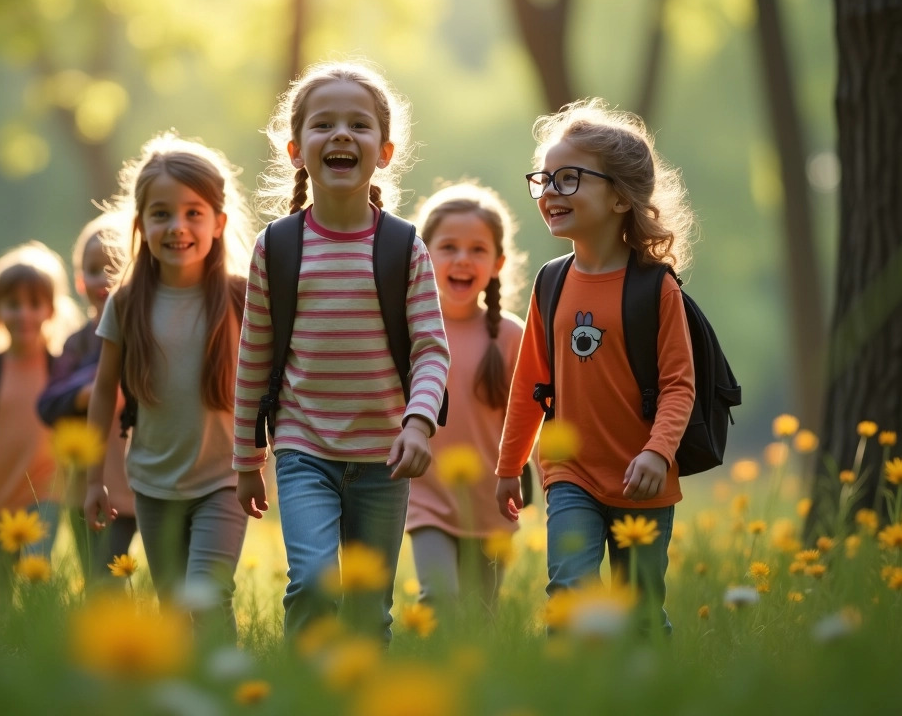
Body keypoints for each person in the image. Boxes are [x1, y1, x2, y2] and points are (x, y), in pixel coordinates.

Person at [232, 60, 450, 644]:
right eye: (323, 125)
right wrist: (246, 457)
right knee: (312, 582)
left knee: (368, 608)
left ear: (385, 150)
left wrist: (419, 423)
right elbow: (253, 356)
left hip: (386, 455)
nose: (341, 135)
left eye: (359, 125)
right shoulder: (276, 247)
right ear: (296, 149)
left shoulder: (403, 247)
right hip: (303, 448)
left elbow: (432, 349)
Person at [495, 99, 696, 633]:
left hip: (643, 479)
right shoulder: (550, 282)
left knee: (640, 611)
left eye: (569, 178)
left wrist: (657, 453)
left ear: (619, 197)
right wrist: (509, 466)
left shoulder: (656, 288)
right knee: (569, 591)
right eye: (544, 179)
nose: (550, 192)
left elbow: (680, 385)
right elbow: (529, 386)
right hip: (570, 475)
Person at [84, 133, 255, 638]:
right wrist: (95, 479)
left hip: (224, 481)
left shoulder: (242, 299)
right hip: (152, 485)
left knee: (206, 594)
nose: (177, 227)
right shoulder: (127, 302)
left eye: (193, 213)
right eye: (161, 214)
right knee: (175, 607)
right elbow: (102, 392)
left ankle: (227, 688)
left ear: (218, 223)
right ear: (141, 225)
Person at [406, 182, 525, 615]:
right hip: (425, 496)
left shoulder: (512, 336)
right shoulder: (406, 331)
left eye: (477, 249)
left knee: (480, 615)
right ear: (423, 255)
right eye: (448, 246)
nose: (461, 258)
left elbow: (533, 416)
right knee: (438, 600)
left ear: (498, 262)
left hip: (492, 502)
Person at [0, 241, 83, 603]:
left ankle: (38, 632)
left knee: (35, 568)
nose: (24, 313)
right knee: (6, 582)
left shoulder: (60, 371)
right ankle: (9, 638)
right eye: (13, 304)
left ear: (50, 311)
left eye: (34, 304)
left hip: (47, 492)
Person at [37, 214, 137, 582]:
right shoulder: (77, 344)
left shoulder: (145, 334)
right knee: (100, 580)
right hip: (87, 487)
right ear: (80, 281)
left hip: (144, 481)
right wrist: (87, 392)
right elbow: (47, 404)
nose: (106, 278)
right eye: (95, 269)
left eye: (116, 266)